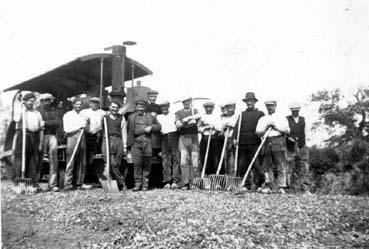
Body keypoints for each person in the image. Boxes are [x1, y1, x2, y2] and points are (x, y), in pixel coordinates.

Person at [256, 99, 290, 194]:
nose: (270, 107)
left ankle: (282, 186)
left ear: (275, 106)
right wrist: (266, 128)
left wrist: (276, 127)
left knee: (280, 164)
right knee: (266, 165)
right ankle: (268, 185)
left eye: (271, 105)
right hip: (266, 141)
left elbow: (287, 131)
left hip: (279, 140)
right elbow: (258, 132)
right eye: (268, 106)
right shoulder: (263, 119)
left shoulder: (281, 117)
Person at [232, 92, 265, 190]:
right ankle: (246, 184)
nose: (249, 103)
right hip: (243, 143)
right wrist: (234, 138)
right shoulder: (242, 114)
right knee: (243, 165)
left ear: (254, 101)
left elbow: (263, 127)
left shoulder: (260, 114)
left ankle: (259, 184)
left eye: (251, 101)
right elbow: (237, 127)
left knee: (256, 164)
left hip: (255, 142)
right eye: (247, 101)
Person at [127, 99, 161, 191]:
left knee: (147, 165)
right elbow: (127, 130)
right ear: (136, 107)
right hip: (135, 142)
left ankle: (145, 185)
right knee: (137, 164)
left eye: (142, 107)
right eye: (139, 107)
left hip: (147, 142)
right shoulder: (131, 117)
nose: (140, 109)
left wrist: (151, 127)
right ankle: (138, 184)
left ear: (145, 107)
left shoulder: (150, 117)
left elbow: (159, 127)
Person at [15, 92, 44, 190]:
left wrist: (40, 143)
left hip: (34, 136)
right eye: (29, 101)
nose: (31, 103)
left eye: (33, 101)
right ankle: (20, 183)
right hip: (23, 136)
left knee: (33, 160)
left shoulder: (37, 113)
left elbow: (41, 128)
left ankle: (30, 183)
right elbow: (16, 119)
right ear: (25, 102)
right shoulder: (21, 112)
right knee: (22, 159)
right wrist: (20, 106)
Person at [63, 98, 89, 191]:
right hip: (72, 137)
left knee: (82, 161)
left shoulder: (82, 116)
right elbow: (67, 129)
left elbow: (86, 128)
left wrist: (85, 125)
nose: (78, 106)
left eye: (80, 104)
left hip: (82, 137)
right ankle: (67, 183)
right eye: (77, 104)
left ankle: (80, 183)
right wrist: (79, 127)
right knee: (71, 160)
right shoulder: (68, 115)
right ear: (73, 105)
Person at [175, 96, 201, 190]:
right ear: (182, 102)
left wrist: (192, 118)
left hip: (194, 138)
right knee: (184, 160)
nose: (186, 103)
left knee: (195, 160)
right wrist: (185, 121)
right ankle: (185, 183)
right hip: (183, 138)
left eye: (188, 101)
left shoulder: (195, 110)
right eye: (184, 101)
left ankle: (195, 183)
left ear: (190, 101)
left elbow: (198, 117)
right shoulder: (179, 113)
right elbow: (177, 124)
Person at [102, 101, 127, 190]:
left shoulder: (121, 118)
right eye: (113, 107)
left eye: (116, 107)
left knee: (117, 163)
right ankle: (121, 181)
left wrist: (124, 146)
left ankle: (116, 183)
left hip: (118, 141)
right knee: (110, 163)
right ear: (109, 107)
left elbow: (124, 132)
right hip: (108, 140)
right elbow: (101, 129)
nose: (114, 109)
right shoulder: (105, 118)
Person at [38, 93, 61, 192]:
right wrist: (47, 124)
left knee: (53, 160)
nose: (47, 102)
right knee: (39, 159)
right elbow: (38, 123)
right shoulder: (38, 112)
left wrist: (45, 123)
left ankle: (53, 184)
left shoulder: (54, 111)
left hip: (52, 136)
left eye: (49, 100)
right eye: (45, 100)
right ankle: (36, 184)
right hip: (41, 136)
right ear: (42, 101)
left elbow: (57, 123)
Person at [286, 102, 311, 194]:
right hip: (290, 146)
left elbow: (306, 132)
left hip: (302, 145)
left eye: (297, 110)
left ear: (299, 110)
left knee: (304, 167)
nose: (295, 112)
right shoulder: (286, 119)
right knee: (290, 167)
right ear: (291, 111)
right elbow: (285, 132)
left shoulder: (303, 120)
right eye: (293, 111)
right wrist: (289, 139)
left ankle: (305, 188)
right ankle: (290, 187)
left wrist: (304, 144)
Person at [156, 100, 180, 189]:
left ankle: (175, 181)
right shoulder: (158, 117)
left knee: (176, 159)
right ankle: (167, 181)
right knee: (166, 160)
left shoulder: (174, 116)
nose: (164, 108)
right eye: (162, 106)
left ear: (168, 106)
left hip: (174, 136)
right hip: (164, 137)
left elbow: (178, 126)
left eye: (165, 106)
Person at [80, 97, 105, 181]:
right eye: (93, 102)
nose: (95, 104)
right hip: (85, 135)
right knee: (84, 156)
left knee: (92, 157)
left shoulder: (101, 112)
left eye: (97, 103)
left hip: (95, 136)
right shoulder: (84, 112)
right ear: (90, 103)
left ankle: (89, 175)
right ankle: (82, 178)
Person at [145, 89, 163, 188]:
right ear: (148, 96)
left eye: (155, 97)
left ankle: (158, 182)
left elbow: (161, 121)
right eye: (152, 96)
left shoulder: (158, 107)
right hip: (147, 136)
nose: (153, 98)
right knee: (148, 160)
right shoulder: (145, 106)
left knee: (157, 159)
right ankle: (149, 183)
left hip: (156, 136)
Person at [199, 101, 222, 175]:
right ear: (204, 108)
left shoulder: (217, 116)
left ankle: (213, 174)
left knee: (214, 157)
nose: (209, 109)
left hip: (214, 138)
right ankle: (206, 174)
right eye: (207, 107)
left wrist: (213, 126)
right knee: (204, 157)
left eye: (210, 107)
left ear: (213, 108)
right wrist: (206, 127)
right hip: (205, 138)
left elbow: (219, 128)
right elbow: (199, 128)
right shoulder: (201, 117)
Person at [220, 101, 238, 175]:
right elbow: (220, 128)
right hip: (224, 140)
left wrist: (231, 126)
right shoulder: (223, 117)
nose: (230, 109)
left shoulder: (237, 116)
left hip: (233, 139)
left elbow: (238, 127)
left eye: (231, 107)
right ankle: (226, 178)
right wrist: (224, 127)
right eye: (228, 108)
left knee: (232, 160)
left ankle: (232, 177)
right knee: (224, 160)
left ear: (234, 108)